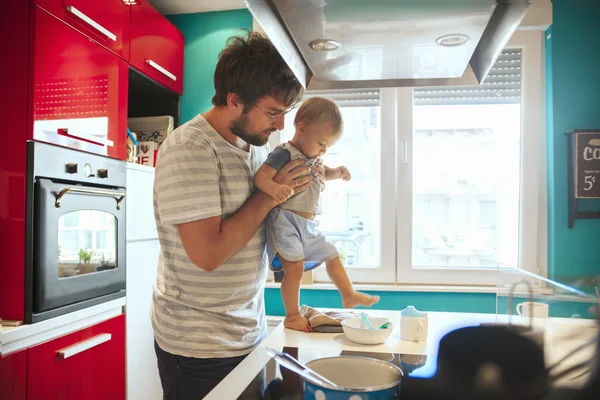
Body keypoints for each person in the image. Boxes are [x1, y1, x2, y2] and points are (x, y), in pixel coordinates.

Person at [151, 31, 319, 400]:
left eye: (284, 114)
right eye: (273, 113)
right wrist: (268, 196)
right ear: (234, 99)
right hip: (199, 345)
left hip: (246, 331)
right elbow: (208, 255)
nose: (279, 126)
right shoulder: (190, 148)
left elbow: (255, 229)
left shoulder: (255, 146)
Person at [254, 97, 380, 332]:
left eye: (328, 146)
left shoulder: (313, 159)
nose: (324, 150)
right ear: (301, 129)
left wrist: (337, 172)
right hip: (285, 221)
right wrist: (274, 189)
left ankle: (349, 294)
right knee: (295, 268)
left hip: (307, 225)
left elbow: (322, 172)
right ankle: (292, 315)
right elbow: (261, 176)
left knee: (333, 254)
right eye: (322, 143)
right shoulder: (284, 154)